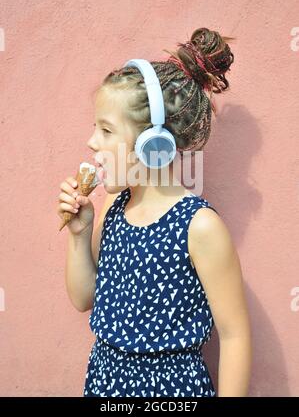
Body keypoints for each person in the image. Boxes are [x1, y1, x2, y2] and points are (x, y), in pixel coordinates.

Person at [57, 27, 252, 397]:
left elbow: (235, 334)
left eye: (106, 130)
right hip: (105, 384)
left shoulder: (199, 227)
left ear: (152, 143)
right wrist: (79, 236)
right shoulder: (113, 208)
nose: (91, 140)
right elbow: (84, 299)